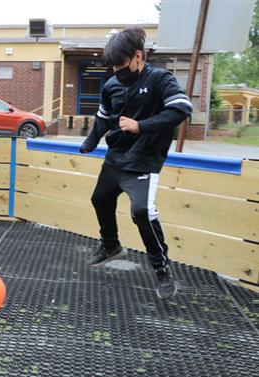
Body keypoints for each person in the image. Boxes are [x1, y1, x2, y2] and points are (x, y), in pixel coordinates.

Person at [79, 27, 192, 299]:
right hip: (116, 159)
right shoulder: (112, 85)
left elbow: (181, 109)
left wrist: (140, 126)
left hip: (144, 161)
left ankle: (162, 270)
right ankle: (111, 246)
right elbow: (104, 117)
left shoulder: (159, 79)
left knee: (142, 212)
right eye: (114, 65)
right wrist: (90, 142)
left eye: (122, 64)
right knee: (100, 199)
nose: (118, 69)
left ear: (138, 56)